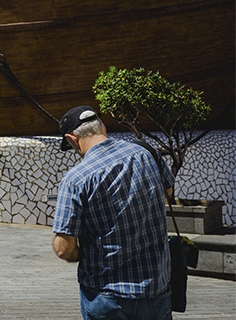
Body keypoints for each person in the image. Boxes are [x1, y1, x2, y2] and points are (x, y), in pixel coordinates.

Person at [52, 105, 175, 320]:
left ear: (72, 139)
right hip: (157, 291)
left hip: (108, 298)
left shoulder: (76, 179)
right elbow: (168, 190)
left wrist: (81, 254)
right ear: (103, 128)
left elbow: (63, 248)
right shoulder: (147, 153)